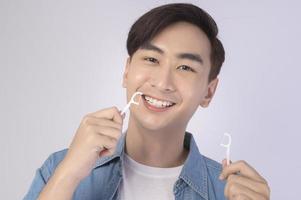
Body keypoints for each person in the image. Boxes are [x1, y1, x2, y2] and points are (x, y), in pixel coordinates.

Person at [24, 3, 270, 200]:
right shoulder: (59, 168)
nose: (163, 82)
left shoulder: (229, 193)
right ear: (127, 71)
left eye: (185, 67)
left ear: (208, 92)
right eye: (152, 59)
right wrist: (67, 175)